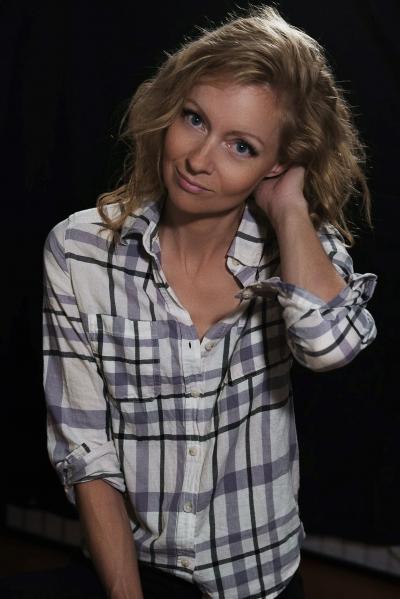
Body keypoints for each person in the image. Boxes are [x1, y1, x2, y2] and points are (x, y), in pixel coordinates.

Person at [42, 5, 377, 599]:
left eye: (241, 146)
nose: (200, 159)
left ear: (279, 163)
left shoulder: (300, 250)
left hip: (259, 579)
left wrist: (290, 209)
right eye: (194, 119)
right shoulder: (78, 251)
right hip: (134, 572)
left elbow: (329, 348)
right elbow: (86, 451)